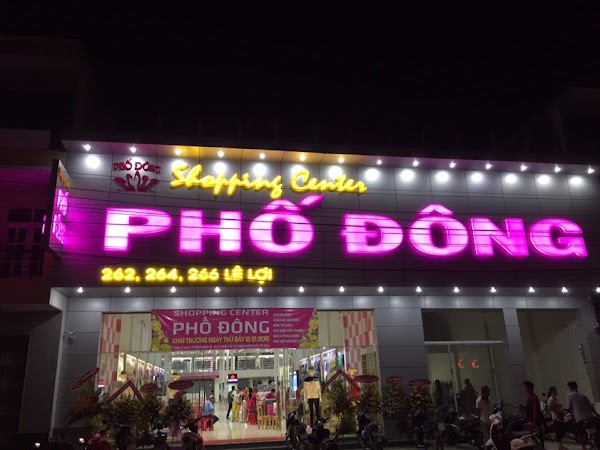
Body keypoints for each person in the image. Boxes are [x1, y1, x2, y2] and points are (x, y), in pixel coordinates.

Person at [567, 381, 598, 450]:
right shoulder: (583, 396)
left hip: (580, 417)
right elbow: (590, 406)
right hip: (589, 416)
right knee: (595, 429)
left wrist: (571, 413)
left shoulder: (570, 395)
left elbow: (570, 407)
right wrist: (596, 414)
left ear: (570, 388)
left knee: (580, 432)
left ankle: (583, 446)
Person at [522, 380, 543, 445]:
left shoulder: (533, 397)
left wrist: (534, 421)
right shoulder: (530, 397)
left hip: (535, 421)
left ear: (529, 388)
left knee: (537, 437)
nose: (524, 390)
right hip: (532, 420)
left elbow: (535, 409)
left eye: (525, 388)